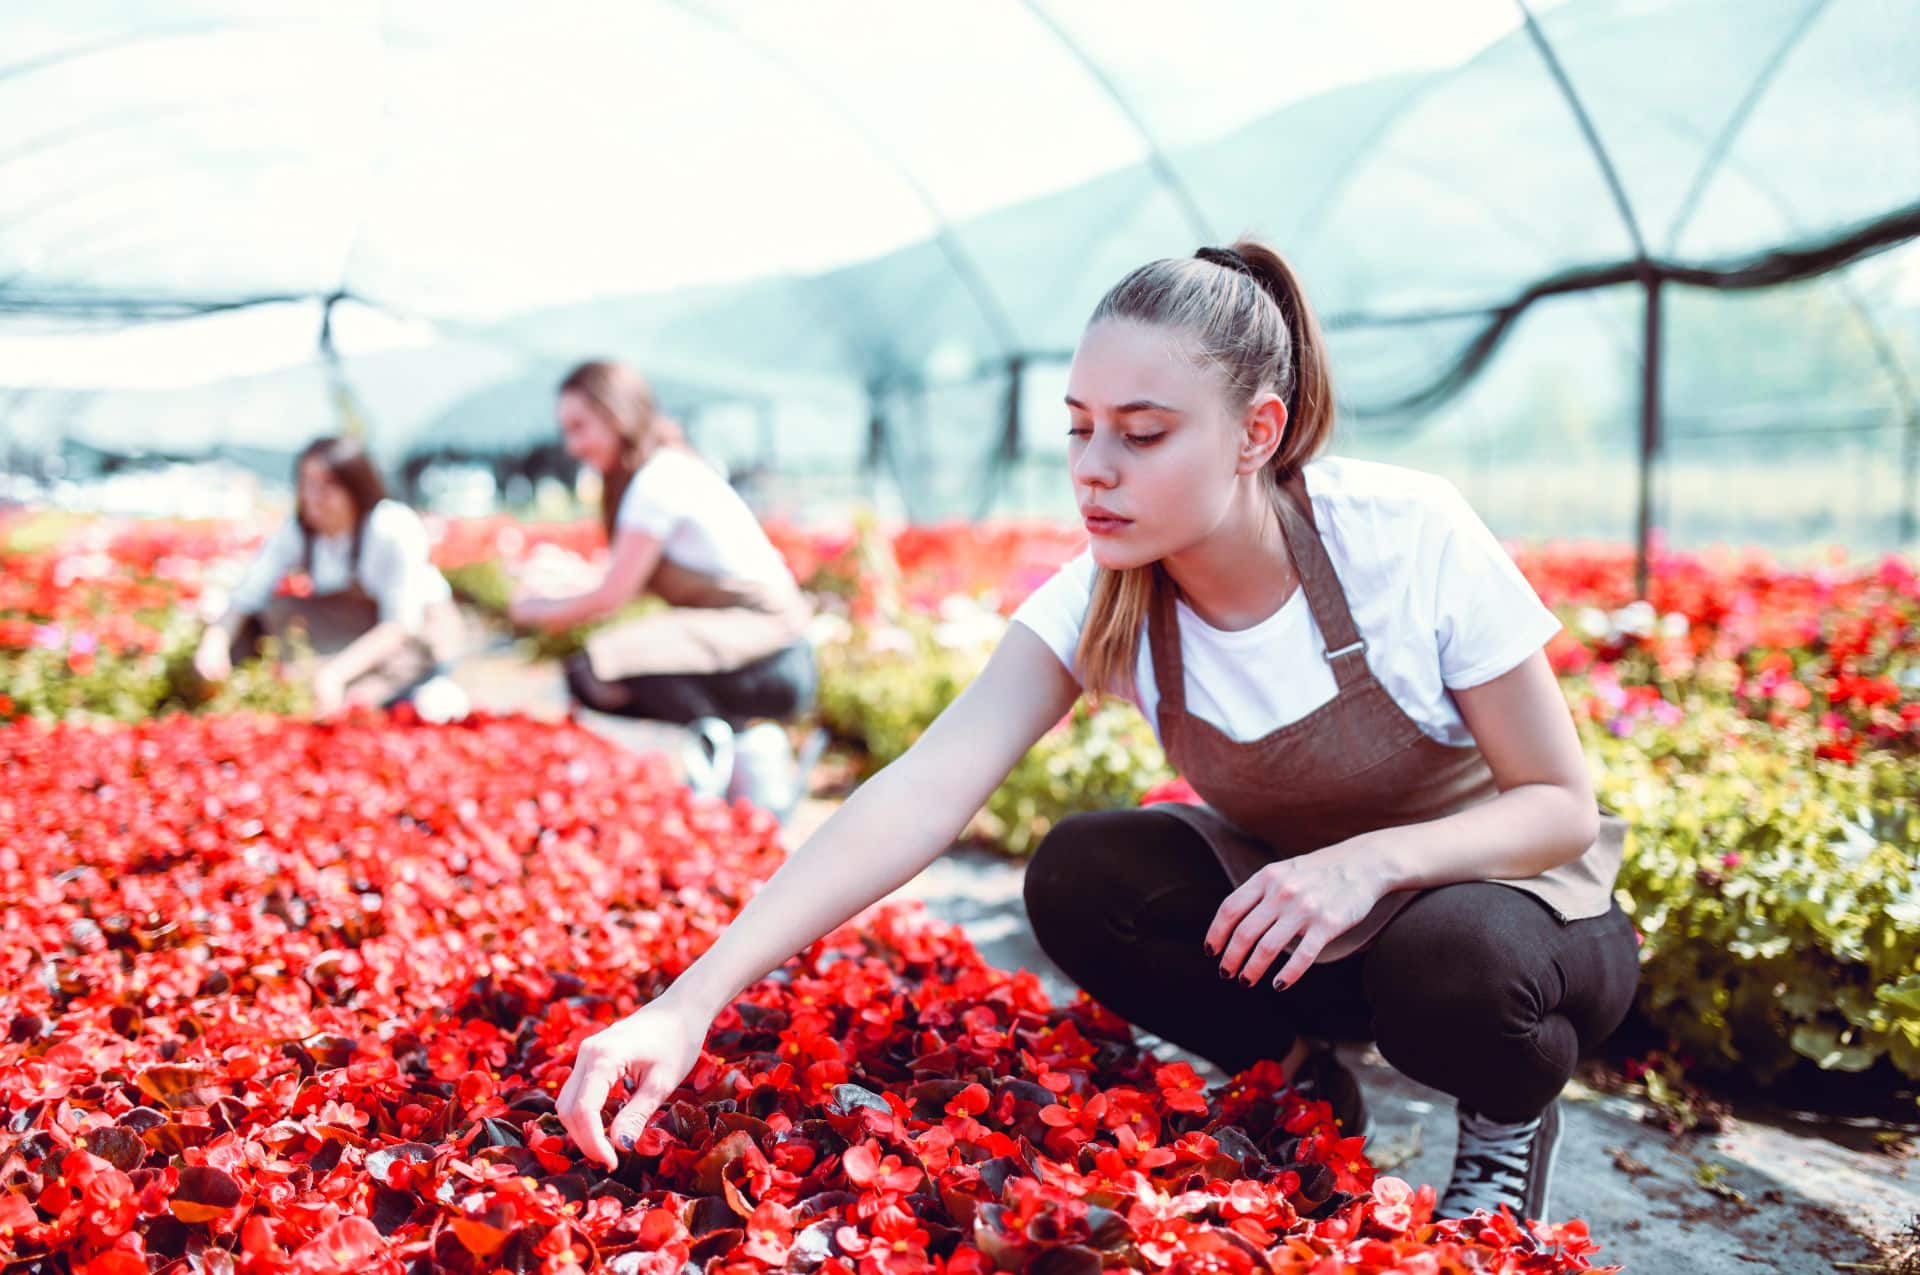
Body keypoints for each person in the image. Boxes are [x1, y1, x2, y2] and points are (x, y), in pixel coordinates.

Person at [552, 244, 1638, 1226]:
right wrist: (688, 1001)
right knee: (1083, 874)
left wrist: (1370, 862)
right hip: (1313, 921)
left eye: (1144, 432)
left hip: (1518, 905)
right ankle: (1301, 1074)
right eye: (1078, 426)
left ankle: (1503, 1121)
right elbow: (927, 788)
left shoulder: (1402, 539)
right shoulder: (1108, 593)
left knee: (1458, 960)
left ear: (1258, 432)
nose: (1094, 467)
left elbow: (1556, 804)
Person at [508, 360, 816, 734]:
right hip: (768, 647)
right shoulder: (665, 467)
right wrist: (559, 580)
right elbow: (622, 579)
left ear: (616, 416)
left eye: (580, 428)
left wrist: (535, 609)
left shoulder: (656, 481)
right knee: (611, 662)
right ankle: (731, 749)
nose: (573, 446)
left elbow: (612, 596)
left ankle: (720, 748)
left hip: (769, 652)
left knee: (598, 668)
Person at [195, 435, 460, 712]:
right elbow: (249, 592)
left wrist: (334, 675)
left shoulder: (391, 528)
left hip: (415, 633)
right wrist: (215, 642)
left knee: (390, 700)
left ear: (356, 487)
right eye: (307, 484)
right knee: (265, 617)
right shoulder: (300, 532)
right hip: (351, 626)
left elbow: (399, 625)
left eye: (328, 485)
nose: (314, 497)